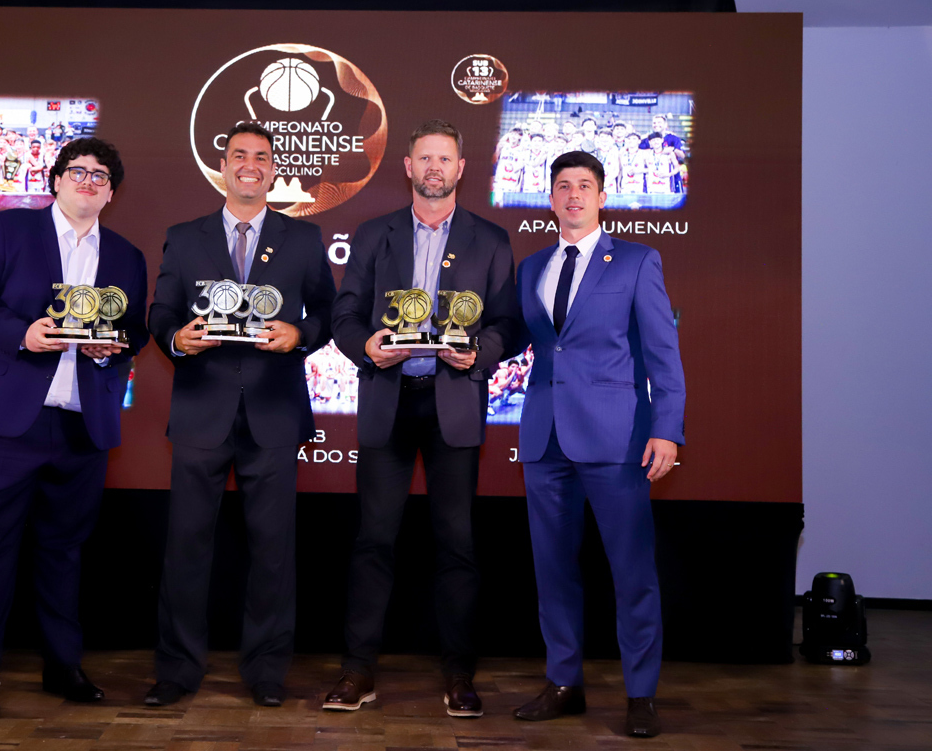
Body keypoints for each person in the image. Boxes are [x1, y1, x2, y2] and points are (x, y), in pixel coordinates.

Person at [0, 137, 149, 716]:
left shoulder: (127, 256)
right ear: (56, 180)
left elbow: (134, 329)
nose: (88, 181)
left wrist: (113, 347)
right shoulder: (6, 230)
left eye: (101, 175)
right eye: (77, 170)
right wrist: (23, 333)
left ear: (111, 193)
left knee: (64, 551)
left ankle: (63, 666)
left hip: (82, 424)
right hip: (1, 422)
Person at [323, 119, 518, 717]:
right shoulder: (373, 233)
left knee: (457, 544)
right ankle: (358, 671)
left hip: (452, 403)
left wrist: (479, 352)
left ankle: (459, 675)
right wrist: (366, 346)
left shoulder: (491, 239)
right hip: (389, 399)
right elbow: (344, 315)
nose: (435, 167)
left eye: (445, 158)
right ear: (407, 167)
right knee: (373, 541)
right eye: (425, 158)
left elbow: (508, 324)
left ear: (461, 169)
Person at [145, 123, 335, 709]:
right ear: (222, 167)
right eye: (238, 155)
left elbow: (328, 312)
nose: (250, 164)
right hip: (201, 408)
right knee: (186, 547)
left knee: (273, 550)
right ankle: (177, 668)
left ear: (274, 170)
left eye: (261, 156)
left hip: (274, 410)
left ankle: (267, 670)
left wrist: (299, 333)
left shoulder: (304, 238)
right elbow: (161, 313)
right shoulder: (185, 237)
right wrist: (177, 338)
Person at [512, 151, 684, 738]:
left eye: (584, 185)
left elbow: (663, 352)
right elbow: (526, 341)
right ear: (550, 198)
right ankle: (564, 683)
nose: (574, 195)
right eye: (563, 186)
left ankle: (641, 694)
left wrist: (667, 427)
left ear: (602, 196)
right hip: (545, 438)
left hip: (617, 439)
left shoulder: (636, 261)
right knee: (553, 571)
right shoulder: (531, 267)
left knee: (632, 572)